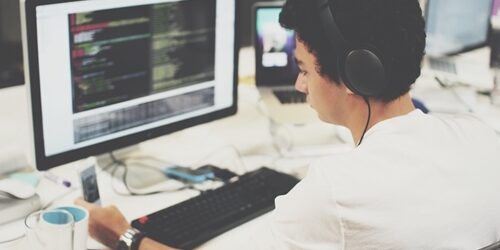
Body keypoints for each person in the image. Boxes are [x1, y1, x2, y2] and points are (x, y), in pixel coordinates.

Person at [76, 0, 500, 249]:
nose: (300, 84)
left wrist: (124, 235)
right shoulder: (483, 138)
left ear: (357, 75)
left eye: (304, 70)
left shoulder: (335, 191)